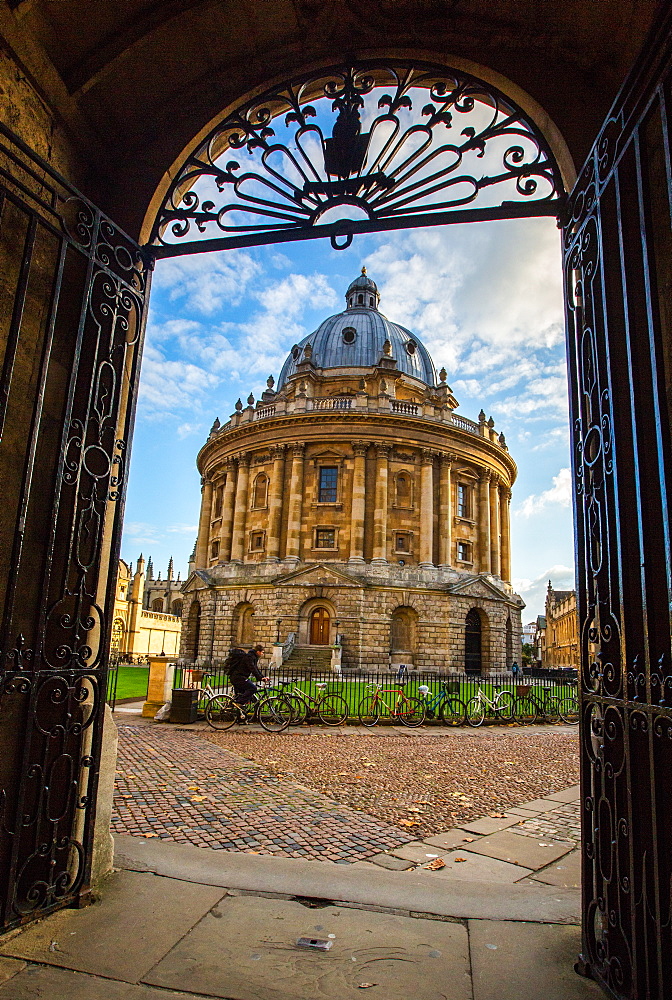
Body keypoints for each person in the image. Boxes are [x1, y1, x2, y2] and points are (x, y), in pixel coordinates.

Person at [227, 643, 268, 710]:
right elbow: (252, 668)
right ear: (258, 652)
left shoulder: (253, 657)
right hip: (238, 677)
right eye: (262, 652)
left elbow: (255, 668)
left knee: (241, 694)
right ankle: (239, 703)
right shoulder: (249, 657)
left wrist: (262, 677)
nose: (263, 654)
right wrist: (260, 677)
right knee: (253, 688)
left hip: (240, 677)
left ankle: (238, 713)